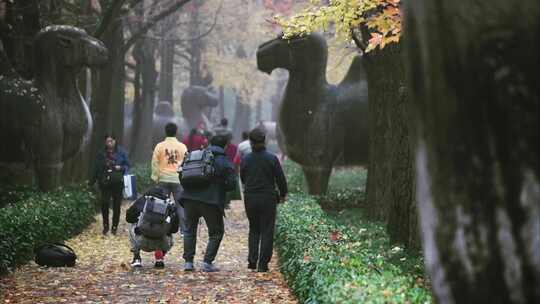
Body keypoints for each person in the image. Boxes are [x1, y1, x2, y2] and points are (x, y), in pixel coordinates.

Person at [180, 134, 237, 272]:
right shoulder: (224, 161)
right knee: (216, 232)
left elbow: (182, 175)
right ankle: (207, 262)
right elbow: (232, 184)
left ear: (210, 143)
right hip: (210, 201)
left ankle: (188, 262)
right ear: (225, 146)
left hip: (189, 198)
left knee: (189, 230)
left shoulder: (196, 155)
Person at [240, 128, 288, 272]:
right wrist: (283, 193)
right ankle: (263, 264)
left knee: (254, 228)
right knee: (267, 230)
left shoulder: (246, 158)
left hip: (250, 197)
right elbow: (280, 178)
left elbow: (242, 177)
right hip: (267, 197)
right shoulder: (271, 158)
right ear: (264, 140)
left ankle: (252, 260)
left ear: (250, 142)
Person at [126, 186, 179, 268]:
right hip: (163, 243)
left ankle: (136, 258)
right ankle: (159, 259)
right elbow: (174, 229)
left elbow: (128, 218)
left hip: (141, 241)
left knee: (131, 225)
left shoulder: (143, 200)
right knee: (168, 228)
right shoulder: (169, 204)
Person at [151, 122, 188, 233]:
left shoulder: (160, 146)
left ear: (165, 132)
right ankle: (184, 230)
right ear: (176, 132)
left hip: (163, 179)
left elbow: (154, 162)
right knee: (181, 205)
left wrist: (155, 176)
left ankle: (160, 228)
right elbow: (186, 161)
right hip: (178, 179)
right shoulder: (182, 147)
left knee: (162, 205)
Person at [90, 135, 130, 235]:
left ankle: (114, 226)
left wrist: (120, 167)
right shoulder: (101, 154)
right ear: (105, 142)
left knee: (117, 205)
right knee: (104, 203)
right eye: (107, 141)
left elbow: (128, 165)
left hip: (117, 182)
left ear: (115, 141)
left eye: (111, 141)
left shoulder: (122, 152)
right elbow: (96, 167)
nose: (109, 143)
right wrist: (91, 181)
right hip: (105, 182)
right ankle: (106, 225)